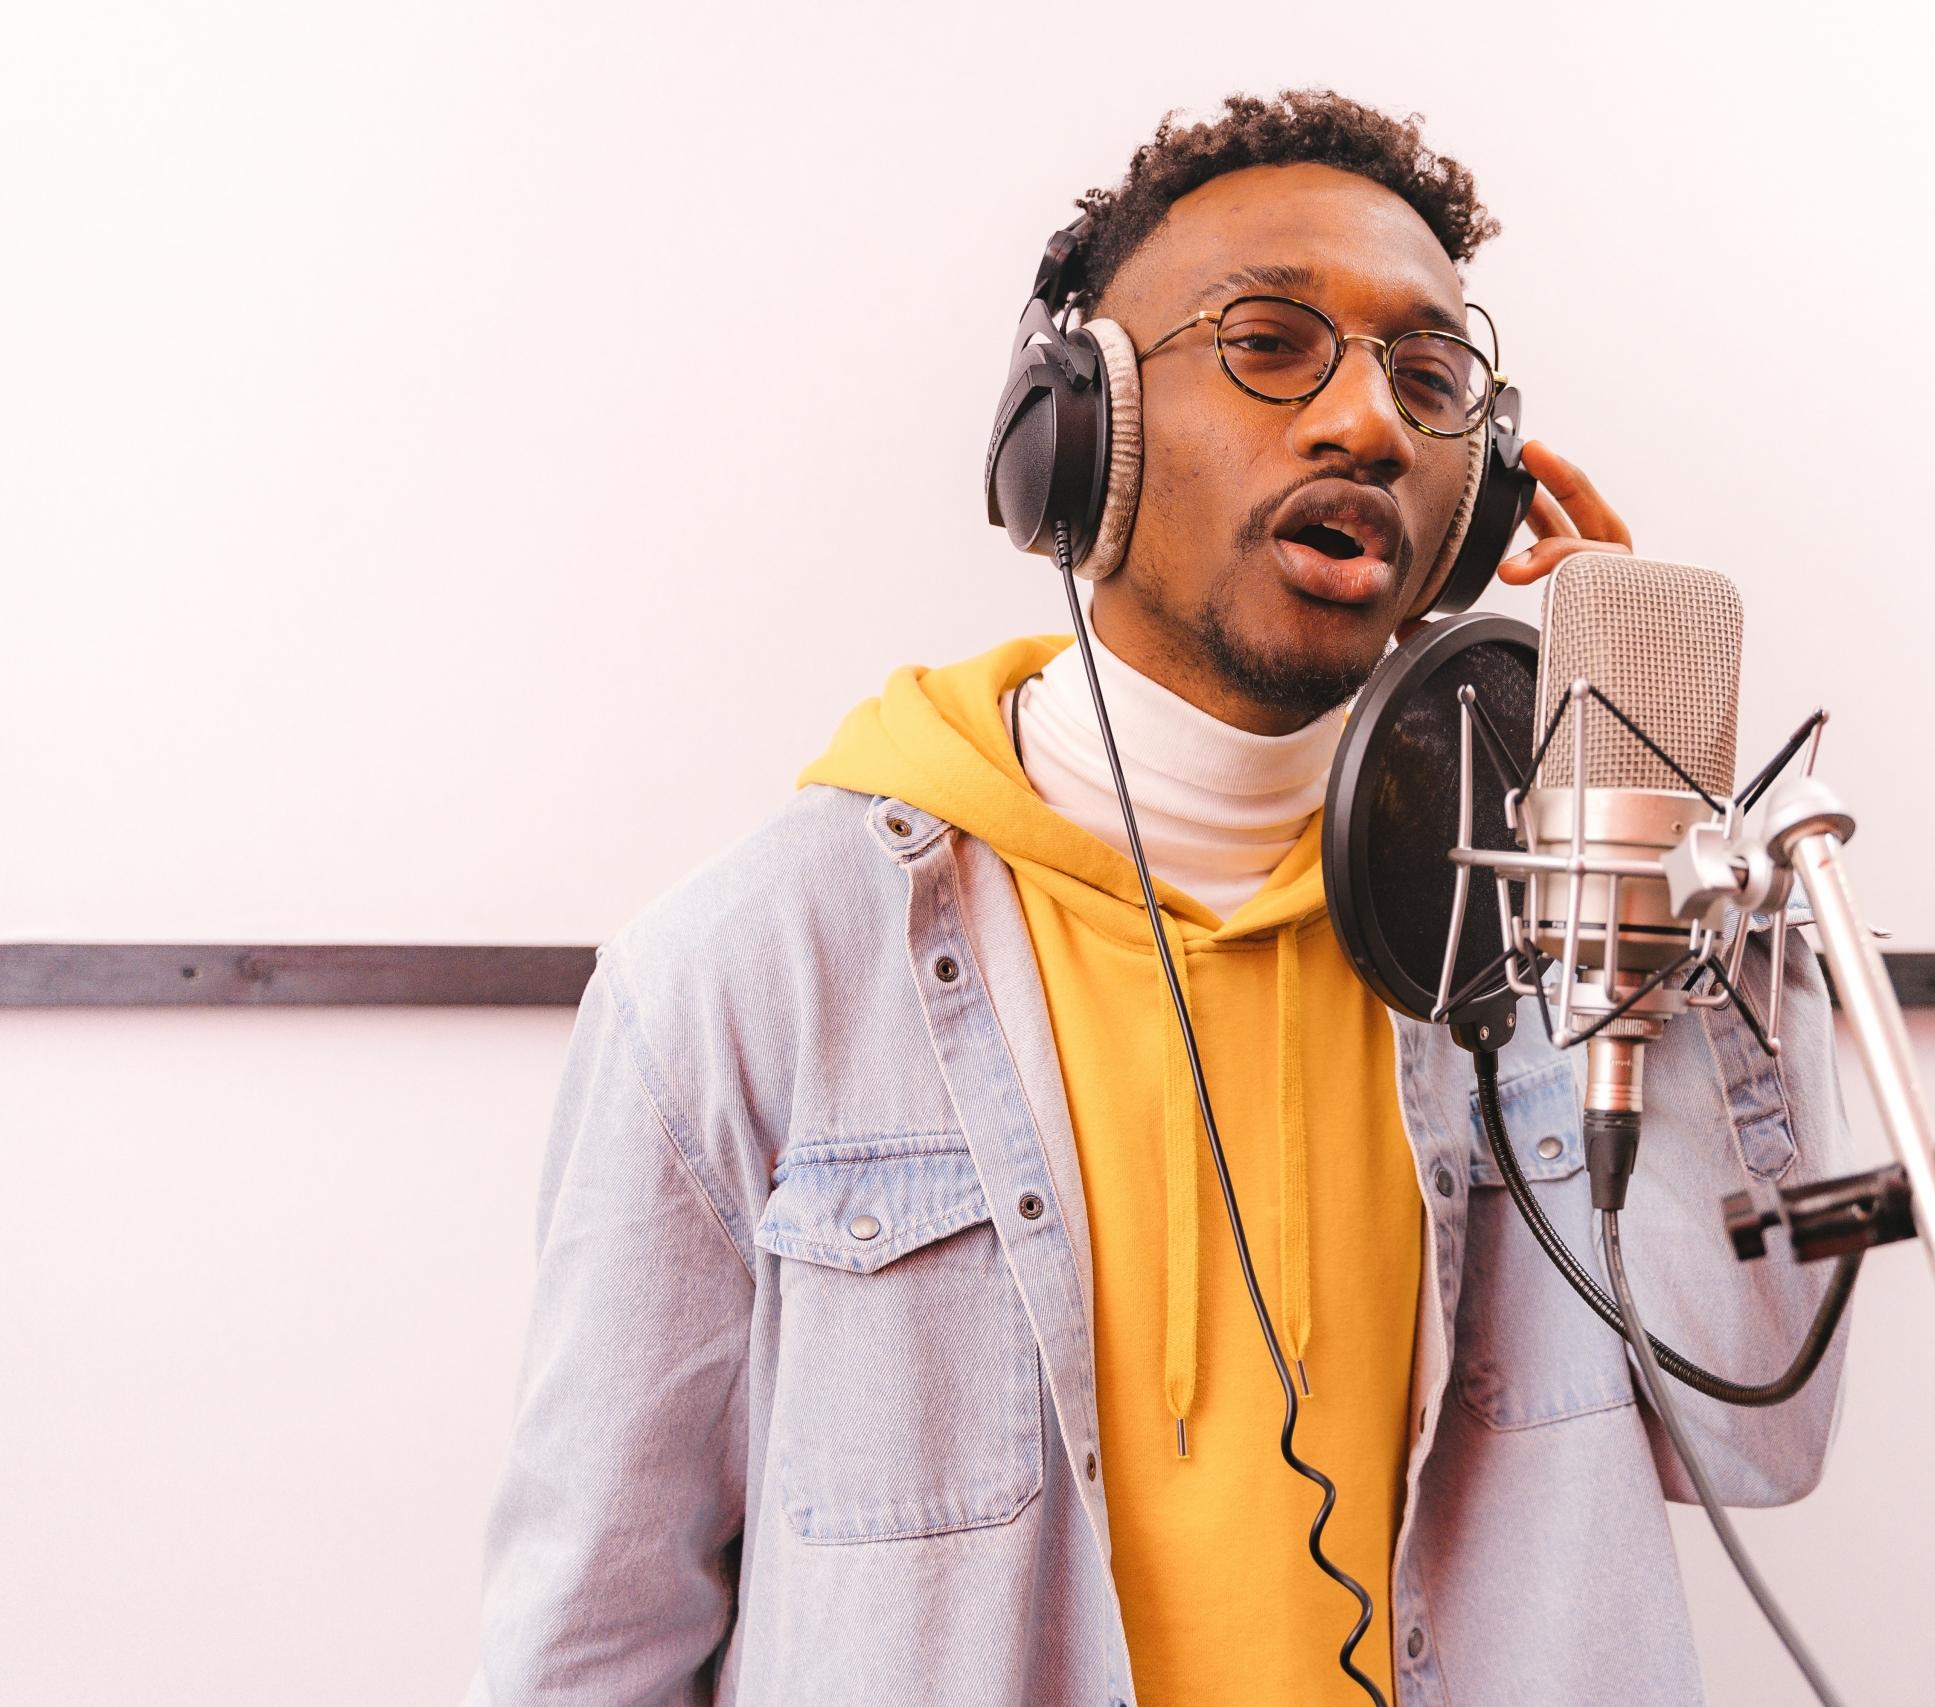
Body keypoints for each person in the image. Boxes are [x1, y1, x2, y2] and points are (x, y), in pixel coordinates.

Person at [466, 88, 1855, 1707]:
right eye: (1271, 342)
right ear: (1078, 438)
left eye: (1429, 379)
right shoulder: (744, 978)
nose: (1370, 427)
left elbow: (1759, 1429)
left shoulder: (1554, 931)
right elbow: (592, 1644)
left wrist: (1643, 846)